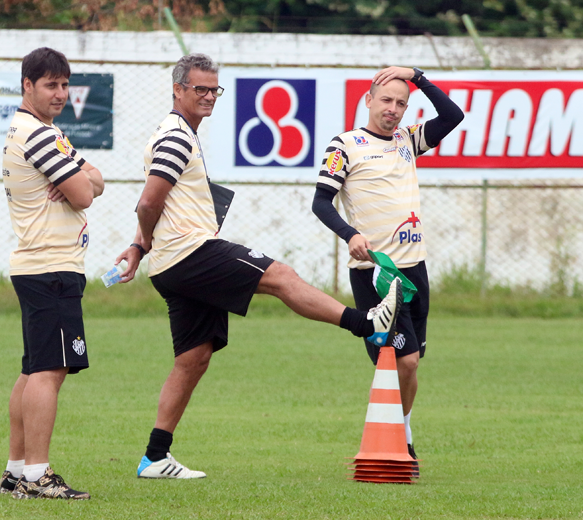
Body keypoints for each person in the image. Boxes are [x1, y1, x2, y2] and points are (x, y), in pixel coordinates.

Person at [114, 53, 402, 480]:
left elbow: (159, 204)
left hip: (173, 261)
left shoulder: (181, 133)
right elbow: (148, 202)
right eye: (200, 89)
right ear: (178, 90)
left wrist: (142, 248)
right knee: (281, 277)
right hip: (189, 254)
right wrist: (144, 241)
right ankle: (367, 324)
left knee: (193, 358)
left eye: (215, 89)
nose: (210, 96)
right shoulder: (175, 136)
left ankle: (155, 457)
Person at [312, 66, 463, 473]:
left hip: (416, 270)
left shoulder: (407, 141)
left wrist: (418, 77)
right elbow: (321, 202)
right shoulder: (345, 145)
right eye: (386, 100)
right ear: (368, 100)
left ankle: (404, 432)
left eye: (401, 103)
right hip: (376, 273)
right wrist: (349, 234)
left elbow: (453, 117)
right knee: (404, 361)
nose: (393, 109)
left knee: (412, 361)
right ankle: (397, 439)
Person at [0, 47, 104, 500]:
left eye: (65, 85)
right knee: (49, 370)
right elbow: (85, 191)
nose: (61, 93)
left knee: (32, 370)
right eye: (51, 85)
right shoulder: (39, 136)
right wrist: (82, 179)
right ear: (27, 86)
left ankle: (16, 470)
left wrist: (84, 179)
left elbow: (93, 180)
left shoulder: (37, 131)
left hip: (39, 265)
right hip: (50, 266)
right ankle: (37, 475)